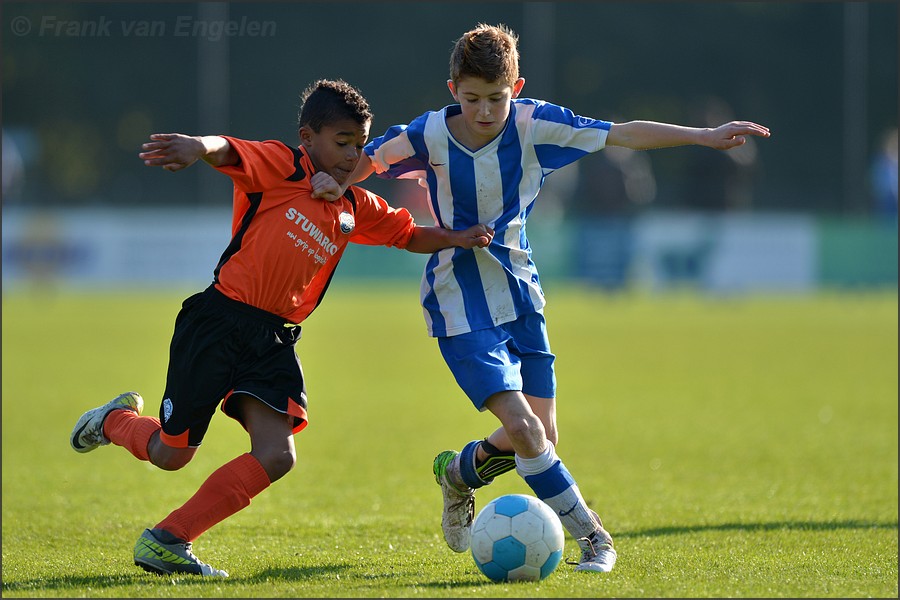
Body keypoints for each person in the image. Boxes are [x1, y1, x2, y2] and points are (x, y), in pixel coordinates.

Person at [322, 23, 771, 574]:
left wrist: (703, 136)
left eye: (497, 98)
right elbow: (368, 159)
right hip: (457, 299)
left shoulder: (537, 123)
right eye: (472, 99)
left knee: (541, 434)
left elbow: (623, 134)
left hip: (520, 291)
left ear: (518, 86)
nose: (485, 111)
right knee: (528, 431)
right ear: (452, 90)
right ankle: (596, 538)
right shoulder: (428, 133)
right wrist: (337, 185)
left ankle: (459, 473)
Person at [68, 79, 493, 578]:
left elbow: (406, 233)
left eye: (360, 145)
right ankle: (114, 422)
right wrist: (196, 146)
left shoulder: (353, 206)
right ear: (307, 137)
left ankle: (167, 539)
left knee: (277, 455)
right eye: (342, 143)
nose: (353, 154)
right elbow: (229, 150)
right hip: (218, 321)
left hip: (273, 340)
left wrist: (456, 238)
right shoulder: (282, 164)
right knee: (171, 453)